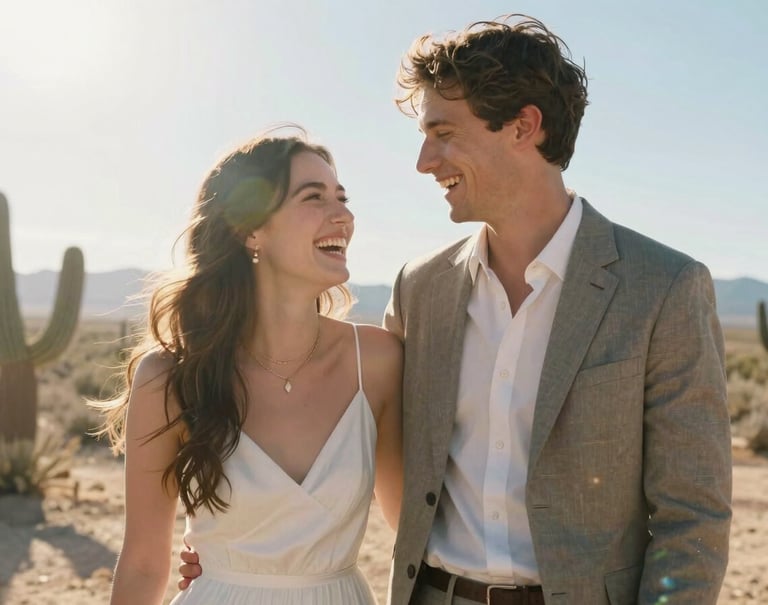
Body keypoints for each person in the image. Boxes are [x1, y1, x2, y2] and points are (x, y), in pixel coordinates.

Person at [180, 14, 732, 605]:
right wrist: (238, 557)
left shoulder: (664, 287)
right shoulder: (421, 289)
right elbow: (351, 449)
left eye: (443, 132)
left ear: (524, 126)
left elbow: (692, 515)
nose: (424, 160)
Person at [99, 129, 403, 605]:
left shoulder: (379, 361)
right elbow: (142, 562)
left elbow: (414, 527)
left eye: (342, 198)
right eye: (313, 197)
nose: (342, 215)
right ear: (251, 230)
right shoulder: (171, 377)